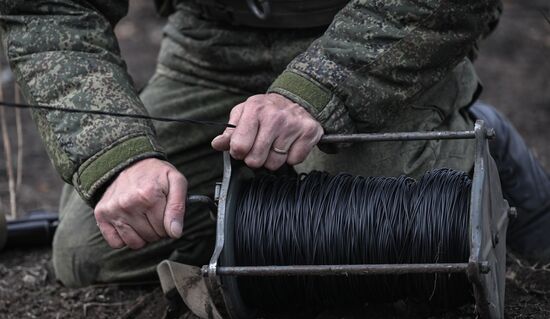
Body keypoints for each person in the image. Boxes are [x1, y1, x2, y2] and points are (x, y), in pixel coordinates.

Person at [0, 0, 548, 288]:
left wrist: (319, 89)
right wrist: (117, 154)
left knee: (400, 233)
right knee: (91, 251)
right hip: (211, 49)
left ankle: (478, 141)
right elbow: (52, 7)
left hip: (372, 42)